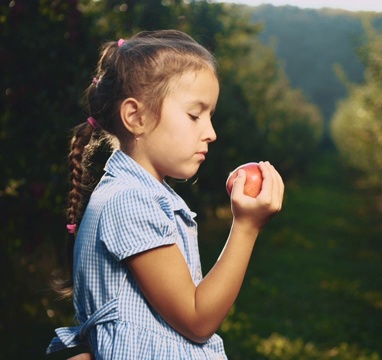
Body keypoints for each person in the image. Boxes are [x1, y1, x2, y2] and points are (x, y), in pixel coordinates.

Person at [47, 30, 284, 359]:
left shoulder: (139, 194)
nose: (211, 133)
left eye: (210, 116)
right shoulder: (131, 200)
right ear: (136, 117)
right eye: (194, 115)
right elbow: (198, 319)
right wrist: (246, 227)